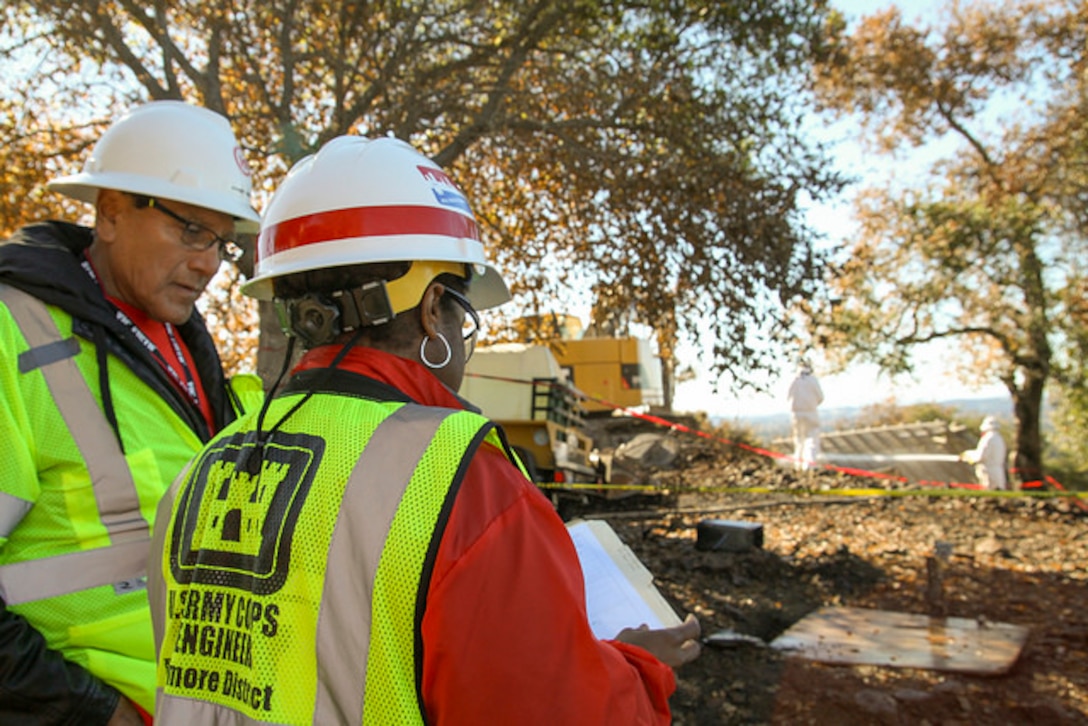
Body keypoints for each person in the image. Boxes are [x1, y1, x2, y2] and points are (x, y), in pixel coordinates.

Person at [148, 135, 701, 724]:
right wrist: (639, 669)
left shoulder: (200, 472)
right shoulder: (465, 485)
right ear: (434, 308)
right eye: (463, 311)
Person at [0, 100, 262, 725]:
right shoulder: (12, 331)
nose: (208, 264)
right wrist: (94, 709)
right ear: (111, 212)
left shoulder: (182, 346)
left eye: (221, 243)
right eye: (191, 230)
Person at [787, 361, 824, 471]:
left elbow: (788, 396)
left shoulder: (794, 380)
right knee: (812, 438)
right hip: (810, 412)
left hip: (796, 413)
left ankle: (798, 464)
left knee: (798, 439)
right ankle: (809, 464)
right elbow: (820, 397)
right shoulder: (813, 380)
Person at [960, 416, 1008, 490]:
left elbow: (981, 456)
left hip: (988, 471)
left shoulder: (987, 438)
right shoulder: (999, 438)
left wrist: (968, 456)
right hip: (998, 472)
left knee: (989, 495)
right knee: (999, 493)